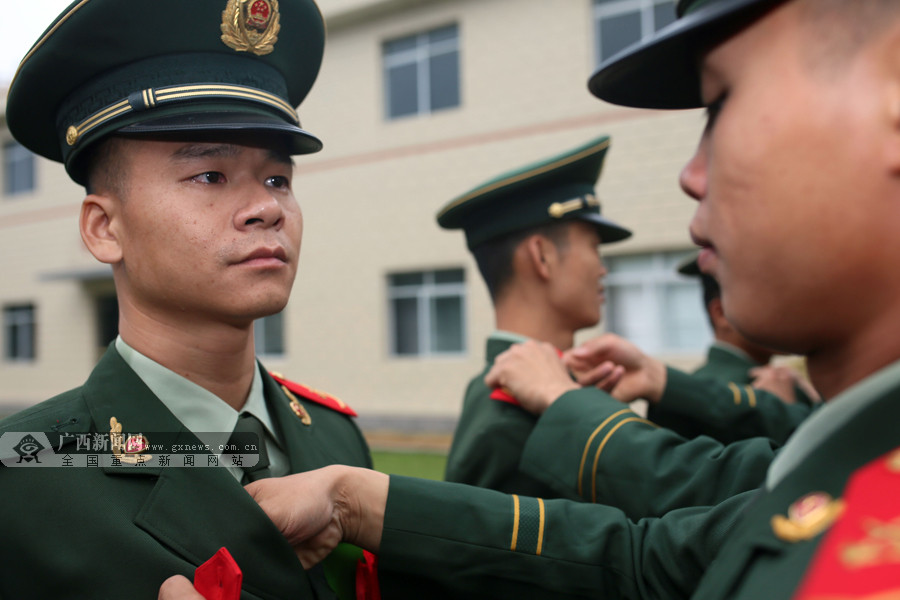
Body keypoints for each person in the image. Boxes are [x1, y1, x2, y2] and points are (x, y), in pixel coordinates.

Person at [170, 0, 900, 597]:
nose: (690, 174)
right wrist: (354, 500)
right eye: (207, 176)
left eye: (721, 103)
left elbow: (642, 553)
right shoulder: (54, 452)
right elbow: (647, 555)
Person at [0, 1, 373, 598]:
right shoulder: (26, 470)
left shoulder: (336, 440)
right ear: (104, 228)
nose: (268, 207)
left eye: (278, 178)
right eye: (210, 176)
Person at [440, 135, 631, 499]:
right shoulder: (510, 417)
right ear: (542, 257)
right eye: (593, 248)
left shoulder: (552, 391)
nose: (603, 270)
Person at [642, 254, 817, 443]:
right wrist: (783, 412)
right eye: (772, 298)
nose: (789, 309)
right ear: (721, 313)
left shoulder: (783, 382)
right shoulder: (753, 392)